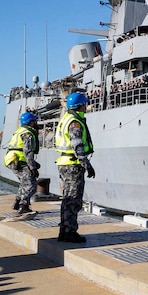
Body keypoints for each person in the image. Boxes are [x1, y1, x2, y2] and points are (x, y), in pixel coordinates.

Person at [54, 92, 95, 243]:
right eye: (85, 104)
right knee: (73, 200)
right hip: (73, 165)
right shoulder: (75, 122)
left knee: (67, 199)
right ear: (80, 105)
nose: (86, 106)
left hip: (65, 163)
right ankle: (70, 232)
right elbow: (77, 145)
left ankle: (64, 231)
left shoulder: (67, 118)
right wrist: (87, 164)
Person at [5, 112, 41, 214]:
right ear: (31, 122)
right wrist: (33, 167)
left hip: (11, 159)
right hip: (18, 161)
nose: (36, 122)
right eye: (34, 121)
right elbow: (28, 151)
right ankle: (23, 206)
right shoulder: (28, 134)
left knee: (24, 183)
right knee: (31, 185)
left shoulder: (20, 131)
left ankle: (17, 202)